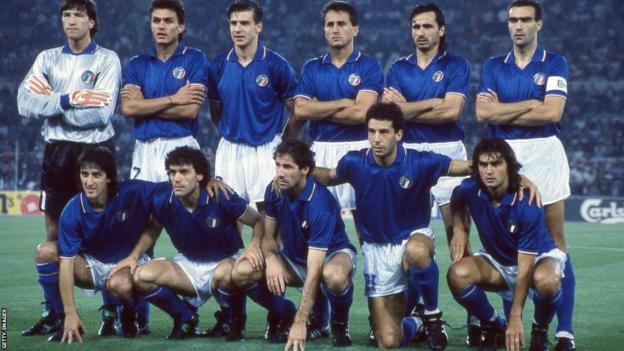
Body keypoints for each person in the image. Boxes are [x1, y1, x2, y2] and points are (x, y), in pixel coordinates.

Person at [312, 102, 476, 350]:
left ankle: (432, 315)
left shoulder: (420, 162)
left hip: (413, 239)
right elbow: (329, 176)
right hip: (377, 252)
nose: (376, 138)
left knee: (417, 251)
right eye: (371, 131)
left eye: (384, 132)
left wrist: (513, 172)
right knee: (388, 341)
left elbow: (468, 167)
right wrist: (299, 168)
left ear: (399, 134)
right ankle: (417, 321)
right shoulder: (355, 162)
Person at [17, 0, 121, 338]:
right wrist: (69, 98)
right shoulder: (47, 59)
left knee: (106, 236)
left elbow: (101, 113)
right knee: (53, 237)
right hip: (57, 153)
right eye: (66, 14)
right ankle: (56, 314)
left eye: (78, 14)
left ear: (92, 21)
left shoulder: (107, 59)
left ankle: (112, 313)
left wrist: (52, 102)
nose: (71, 20)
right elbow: (24, 103)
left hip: (96, 150)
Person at [475, 1, 575, 349]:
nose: (518, 26)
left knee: (555, 243)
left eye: (525, 20)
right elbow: (481, 112)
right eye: (513, 20)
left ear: (538, 24)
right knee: (506, 238)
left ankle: (564, 329)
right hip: (504, 151)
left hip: (545, 151)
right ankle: (507, 322)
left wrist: (502, 113)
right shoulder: (492, 66)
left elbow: (552, 112)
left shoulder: (555, 63)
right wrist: (528, 105)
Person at [382, 3, 477, 345]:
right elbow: (392, 117)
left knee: (458, 237)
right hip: (410, 158)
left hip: (449, 153)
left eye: (427, 26)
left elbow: (451, 112)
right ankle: (418, 312)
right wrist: (429, 104)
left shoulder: (456, 65)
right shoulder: (398, 68)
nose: (420, 32)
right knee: (410, 239)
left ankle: (475, 320)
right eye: (415, 27)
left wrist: (408, 107)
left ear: (441, 30)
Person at [112, 146, 264, 341]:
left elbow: (257, 220)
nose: (176, 178)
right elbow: (153, 228)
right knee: (142, 276)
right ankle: (185, 317)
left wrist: (253, 245)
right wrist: (133, 257)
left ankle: (235, 321)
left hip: (224, 263)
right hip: (188, 265)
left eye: (184, 172)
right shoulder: (162, 198)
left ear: (200, 175)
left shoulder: (221, 194)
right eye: (172, 172)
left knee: (228, 274)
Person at [231, 140, 358, 349]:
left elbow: (315, 268)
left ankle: (338, 323)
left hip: (331, 256)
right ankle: (285, 312)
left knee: (333, 277)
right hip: (294, 257)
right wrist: (271, 259)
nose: (280, 173)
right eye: (278, 165)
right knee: (241, 272)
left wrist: (300, 324)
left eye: (287, 167)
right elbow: (269, 236)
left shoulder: (320, 203)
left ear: (305, 170)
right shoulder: (274, 190)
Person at [448, 138, 566, 351]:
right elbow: (457, 198)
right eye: (483, 165)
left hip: (536, 260)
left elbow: (525, 267)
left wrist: (515, 316)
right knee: (457, 274)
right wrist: (459, 228)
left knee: (548, 280)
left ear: (509, 167)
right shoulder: (471, 188)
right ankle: (493, 324)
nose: (489, 171)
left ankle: (540, 329)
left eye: (496, 164)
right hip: (498, 261)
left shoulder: (527, 202)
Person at [37, 147, 159, 343]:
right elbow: (67, 265)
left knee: (120, 285)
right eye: (84, 174)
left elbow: (173, 188)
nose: (89, 182)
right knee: (45, 252)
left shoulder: (132, 191)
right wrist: (70, 312)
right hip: (92, 266)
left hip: (127, 266)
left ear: (109, 177)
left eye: (96, 175)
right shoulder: (72, 210)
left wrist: (206, 180)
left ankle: (129, 316)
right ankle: (63, 320)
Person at [293, 0, 383, 233]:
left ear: (355, 29)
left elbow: (362, 113)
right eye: (330, 24)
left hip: (360, 148)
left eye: (341, 24)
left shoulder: (369, 66)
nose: (335, 29)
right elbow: (301, 110)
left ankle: (373, 270)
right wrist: (344, 103)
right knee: (319, 225)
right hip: (321, 149)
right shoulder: (312, 67)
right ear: (323, 30)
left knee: (369, 227)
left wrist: (319, 109)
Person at [208, 0, 298, 213]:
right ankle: (235, 249)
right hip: (230, 148)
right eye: (233, 23)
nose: (238, 29)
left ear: (258, 26)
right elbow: (215, 113)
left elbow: (298, 111)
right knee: (228, 213)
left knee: (270, 214)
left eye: (245, 23)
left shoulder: (277, 65)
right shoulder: (217, 66)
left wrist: (282, 140)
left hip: (267, 148)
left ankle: (267, 248)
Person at [120, 0, 209, 182]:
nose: (161, 26)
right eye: (156, 21)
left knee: (181, 208)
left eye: (168, 21)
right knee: (144, 210)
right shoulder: (137, 63)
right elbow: (128, 109)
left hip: (181, 145)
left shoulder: (195, 59)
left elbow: (189, 111)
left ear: (181, 27)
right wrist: (173, 99)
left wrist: (144, 106)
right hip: (144, 149)